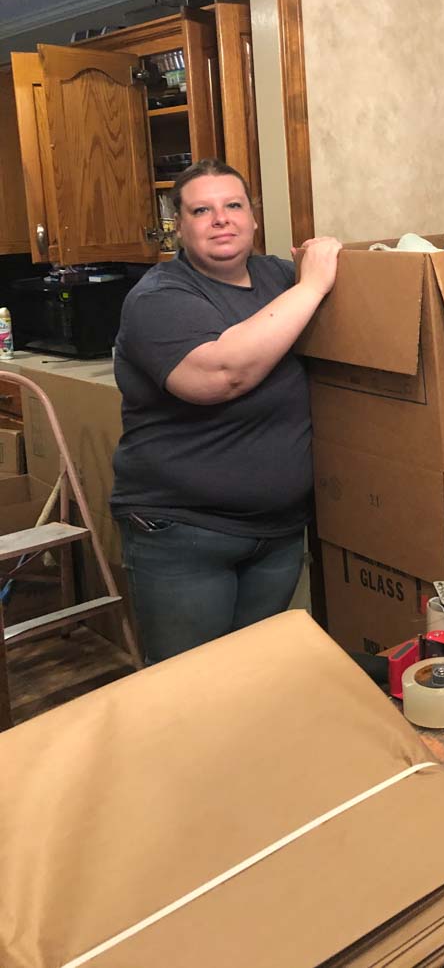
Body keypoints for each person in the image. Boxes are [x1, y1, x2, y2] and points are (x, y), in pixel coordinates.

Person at [110, 158, 341, 663]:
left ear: (254, 219)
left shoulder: (278, 277)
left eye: (233, 205)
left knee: (254, 680)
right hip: (185, 534)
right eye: (201, 210)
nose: (221, 219)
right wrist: (312, 285)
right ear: (180, 228)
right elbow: (219, 376)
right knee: (189, 692)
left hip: (277, 532)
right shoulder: (159, 297)